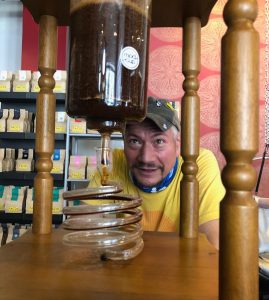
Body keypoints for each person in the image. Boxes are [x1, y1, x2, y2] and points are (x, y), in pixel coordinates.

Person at [87, 97, 226, 249]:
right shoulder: (112, 164)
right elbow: (84, 230)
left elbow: (213, 246)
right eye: (135, 141)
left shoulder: (196, 164)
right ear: (124, 142)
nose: (146, 158)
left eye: (159, 141)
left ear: (178, 145)